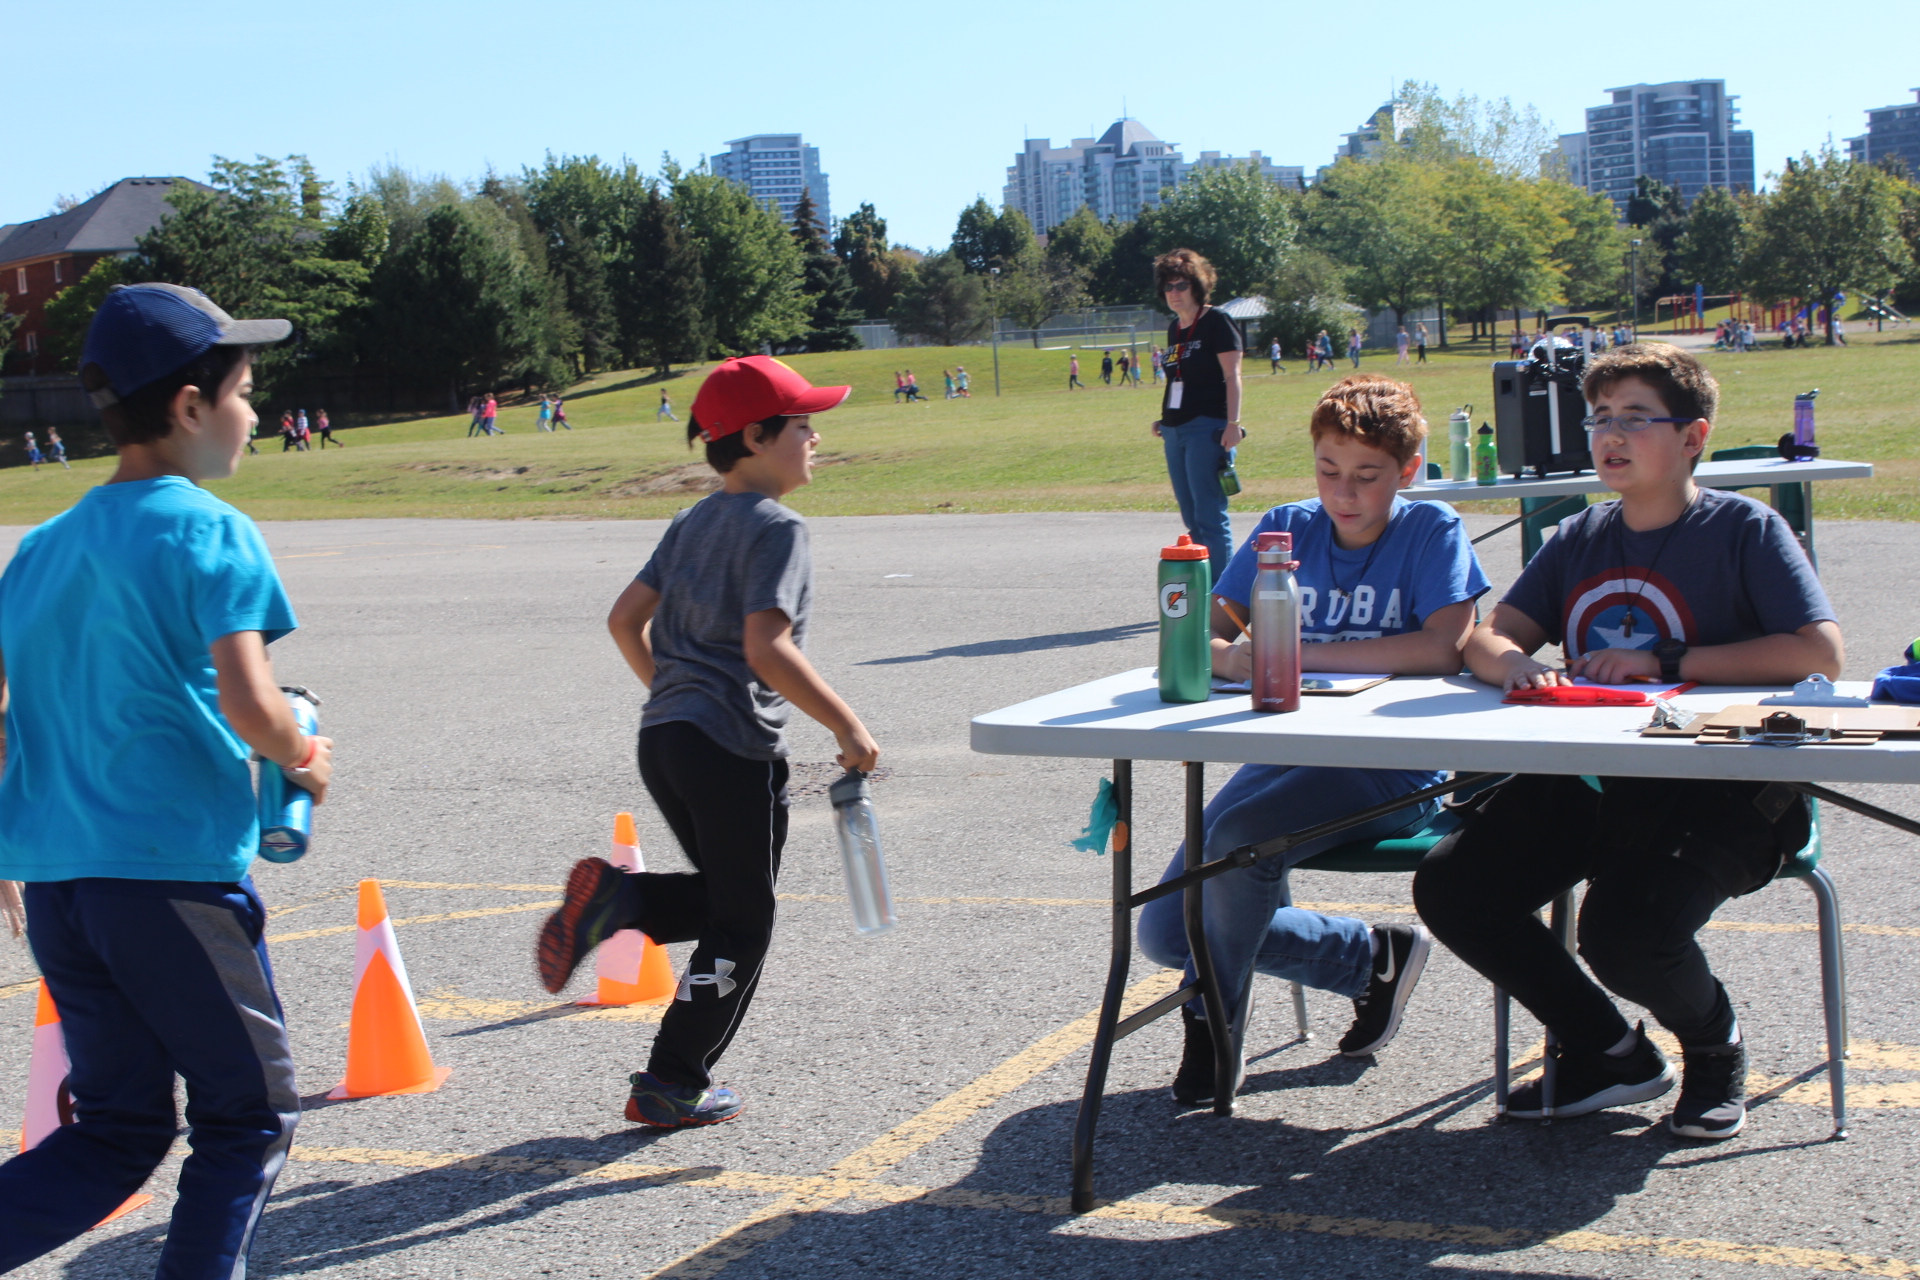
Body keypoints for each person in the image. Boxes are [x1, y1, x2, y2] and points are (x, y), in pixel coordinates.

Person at [1413, 343, 1843, 1141]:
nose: (1610, 435)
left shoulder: (1746, 528)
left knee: (1623, 934)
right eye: (1600, 418)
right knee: (1455, 887)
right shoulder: (1578, 535)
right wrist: (1516, 665)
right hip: (1600, 779)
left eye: (1636, 419)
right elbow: (1488, 638)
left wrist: (1666, 661)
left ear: (1693, 436)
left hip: (1726, 790)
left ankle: (1714, 1048)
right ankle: (1610, 1052)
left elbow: (1818, 653)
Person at [0, 282, 332, 1276]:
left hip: (60, 885)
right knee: (250, 1114)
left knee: (119, 1125)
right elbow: (252, 702)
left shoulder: (39, 550)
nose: (256, 413)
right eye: (244, 391)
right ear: (190, 405)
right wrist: (301, 754)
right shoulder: (209, 528)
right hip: (171, 878)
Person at [537, 355, 880, 1129]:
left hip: (665, 739)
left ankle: (623, 902)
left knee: (731, 901)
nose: (816, 437)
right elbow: (767, 647)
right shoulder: (777, 527)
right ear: (756, 437)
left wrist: (672, 694)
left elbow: (624, 619)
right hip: (729, 749)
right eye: (802, 425)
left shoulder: (691, 520)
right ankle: (672, 1079)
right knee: (744, 923)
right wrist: (847, 726)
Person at [1140, 374, 1490, 1105]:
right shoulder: (1286, 527)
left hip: (1393, 765)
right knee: (1168, 930)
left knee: (1236, 842)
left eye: (1367, 475)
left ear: (1408, 472)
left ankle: (1212, 1024)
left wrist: (1293, 652)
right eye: (1329, 471)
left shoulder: (1431, 529)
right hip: (1285, 753)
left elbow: (1442, 649)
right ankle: (1370, 958)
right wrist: (1229, 657)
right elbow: (1206, 631)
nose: (1344, 493)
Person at [1151, 248, 1242, 580]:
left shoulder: (1217, 321)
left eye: (1181, 285)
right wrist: (1164, 419)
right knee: (1191, 516)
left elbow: (1232, 376)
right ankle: (1203, 588)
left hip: (1207, 427)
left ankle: (1222, 594)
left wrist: (1233, 424)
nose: (1174, 293)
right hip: (1175, 430)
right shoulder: (1175, 328)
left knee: (1210, 516)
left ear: (1197, 286)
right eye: (1168, 286)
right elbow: (1178, 379)